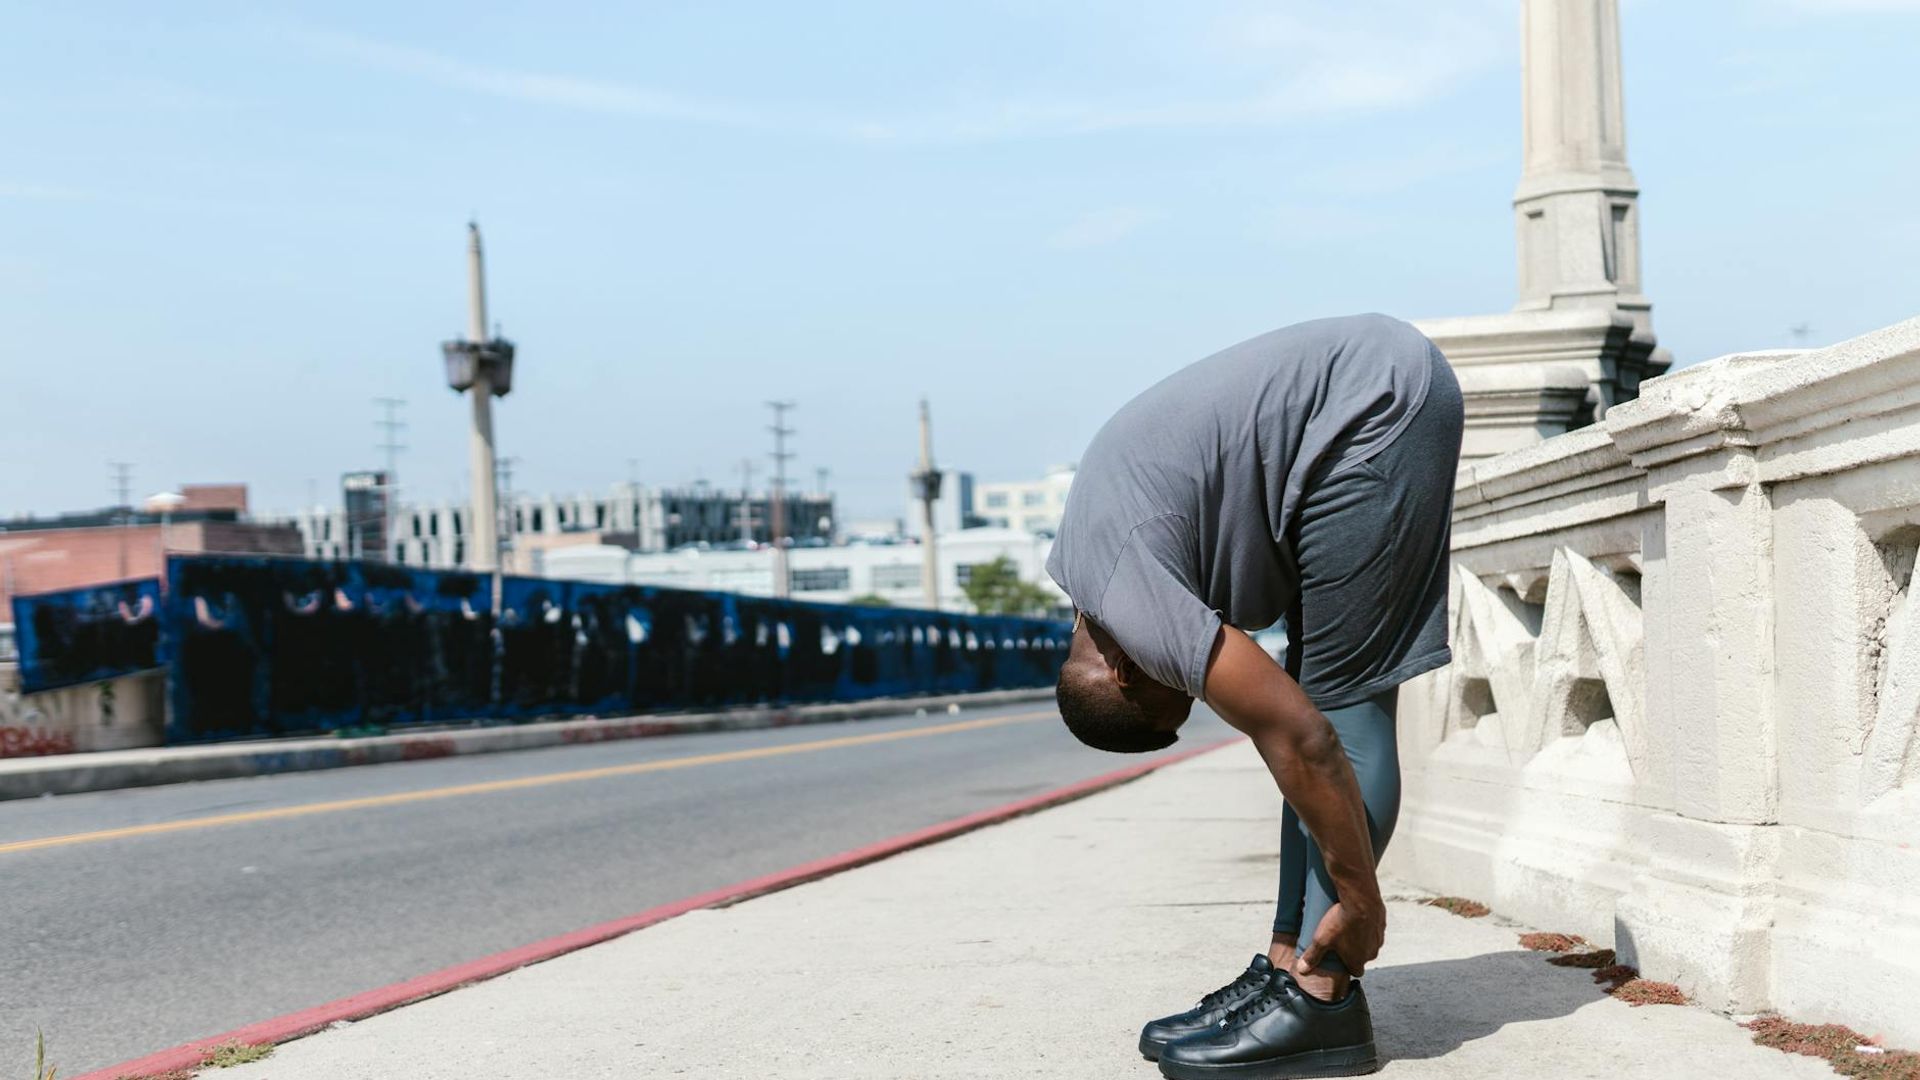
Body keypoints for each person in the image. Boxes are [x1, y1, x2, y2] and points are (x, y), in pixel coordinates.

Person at [1046, 313, 1463, 1080]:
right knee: (1307, 711)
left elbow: (1304, 737)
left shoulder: (1138, 611)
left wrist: (1362, 898)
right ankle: (1288, 963)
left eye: (1182, 698)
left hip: (1371, 409)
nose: (1196, 694)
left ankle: (1322, 993)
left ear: (1129, 674)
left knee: (1338, 706)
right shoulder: (1086, 572)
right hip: (1343, 411)